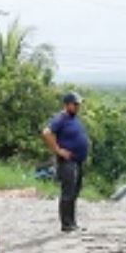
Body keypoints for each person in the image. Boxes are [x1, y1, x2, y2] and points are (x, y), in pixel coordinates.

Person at [41, 91, 90, 232]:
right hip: (68, 162)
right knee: (68, 192)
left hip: (77, 161)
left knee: (74, 191)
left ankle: (72, 222)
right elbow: (46, 133)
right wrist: (58, 150)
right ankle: (66, 224)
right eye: (75, 105)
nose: (77, 107)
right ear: (67, 105)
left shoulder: (73, 119)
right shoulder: (61, 118)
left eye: (78, 105)